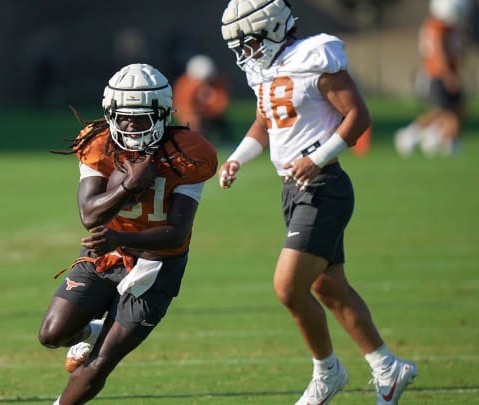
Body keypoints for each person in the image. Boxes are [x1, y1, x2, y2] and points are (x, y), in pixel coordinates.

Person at [218, 1, 417, 404]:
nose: (246, 52)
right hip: (294, 189)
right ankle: (386, 367)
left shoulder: (313, 58)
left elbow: (359, 117)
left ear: (274, 28)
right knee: (329, 288)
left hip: (323, 186)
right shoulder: (265, 70)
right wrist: (238, 157)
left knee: (289, 288)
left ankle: (327, 372)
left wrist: (317, 158)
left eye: (251, 41)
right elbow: (264, 122)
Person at [38, 63, 217, 404]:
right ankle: (90, 329)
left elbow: (177, 234)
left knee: (100, 361)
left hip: (156, 264)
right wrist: (128, 187)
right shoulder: (98, 142)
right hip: (106, 253)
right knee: (51, 334)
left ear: (163, 114)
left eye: (140, 117)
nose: (130, 125)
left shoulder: (189, 153)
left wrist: (122, 238)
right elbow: (90, 214)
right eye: (122, 116)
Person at [394, 0, 472, 158]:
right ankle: (414, 135)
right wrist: (449, 76)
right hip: (436, 75)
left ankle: (436, 138)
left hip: (443, 74)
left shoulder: (448, 27)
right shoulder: (437, 27)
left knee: (456, 109)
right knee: (442, 111)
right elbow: (439, 55)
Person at [173, 54, 234, 147]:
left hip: (211, 115)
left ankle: (226, 143)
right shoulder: (185, 85)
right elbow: (182, 106)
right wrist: (192, 117)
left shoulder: (217, 82)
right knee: (192, 127)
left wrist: (211, 112)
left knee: (222, 124)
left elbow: (221, 102)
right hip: (194, 115)